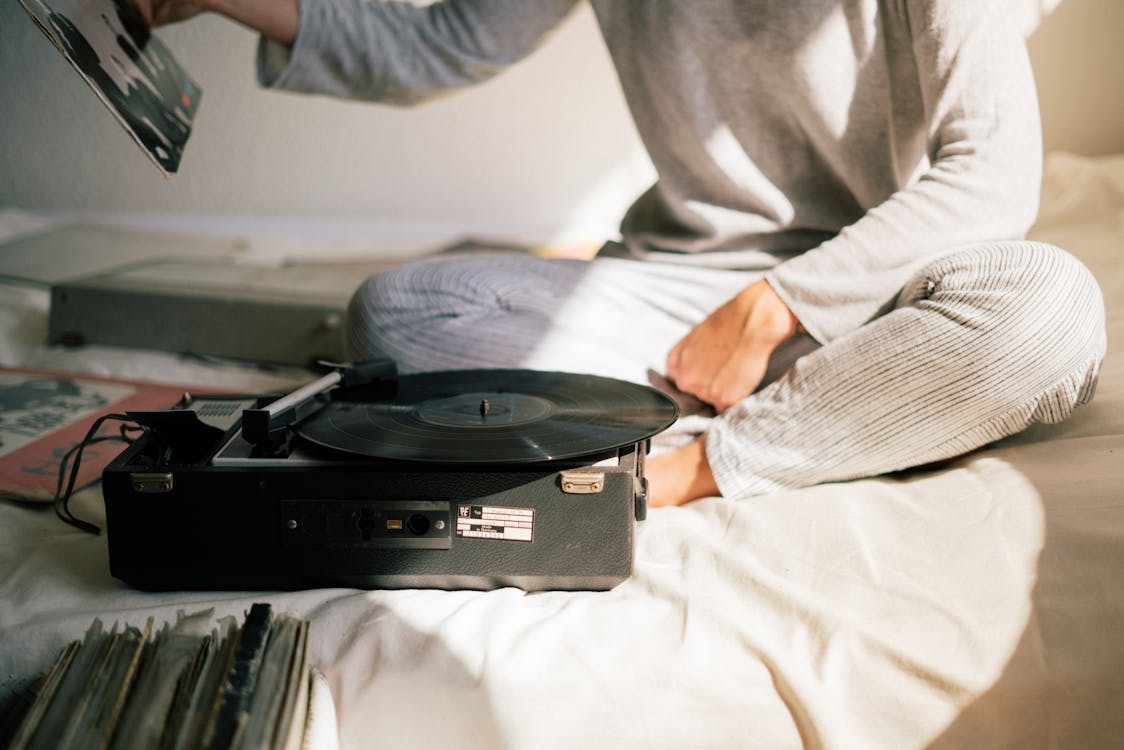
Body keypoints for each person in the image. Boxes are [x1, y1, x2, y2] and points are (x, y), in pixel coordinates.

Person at [138, 0, 1106, 508]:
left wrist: (774, 307)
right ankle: (846, 409)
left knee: (1048, 312)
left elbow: (990, 180)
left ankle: (687, 469)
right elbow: (441, 45)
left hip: (886, 289)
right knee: (403, 313)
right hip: (684, 292)